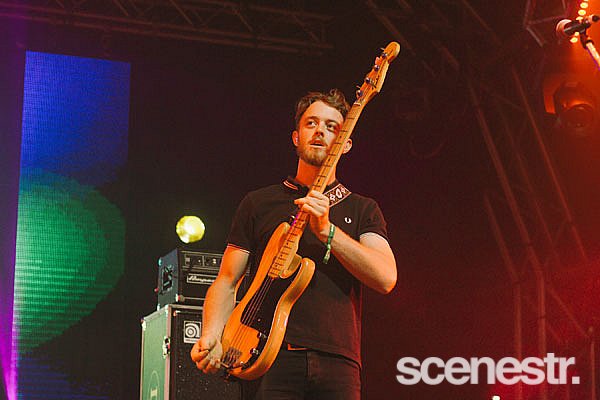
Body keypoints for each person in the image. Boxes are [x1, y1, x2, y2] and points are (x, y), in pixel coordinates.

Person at [191, 89, 397, 399]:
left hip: (337, 362)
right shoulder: (258, 203)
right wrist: (211, 335)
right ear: (296, 138)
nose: (320, 131)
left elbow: (385, 277)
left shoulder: (363, 209)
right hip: (266, 356)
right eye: (311, 123)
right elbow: (227, 281)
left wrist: (328, 232)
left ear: (346, 144)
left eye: (332, 127)